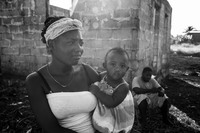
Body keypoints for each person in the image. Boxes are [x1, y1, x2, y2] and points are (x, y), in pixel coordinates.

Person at [25, 16, 101, 133]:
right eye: (70, 42)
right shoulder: (36, 81)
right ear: (51, 45)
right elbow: (51, 128)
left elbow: (109, 101)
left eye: (81, 43)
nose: (79, 49)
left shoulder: (87, 71)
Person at [89, 47, 135, 133]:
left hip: (119, 114)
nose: (117, 69)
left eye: (122, 66)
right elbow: (95, 78)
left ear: (127, 69)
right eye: (113, 64)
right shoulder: (103, 76)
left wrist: (97, 91)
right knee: (104, 126)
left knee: (117, 129)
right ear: (104, 65)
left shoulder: (123, 87)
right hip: (107, 111)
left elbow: (112, 103)